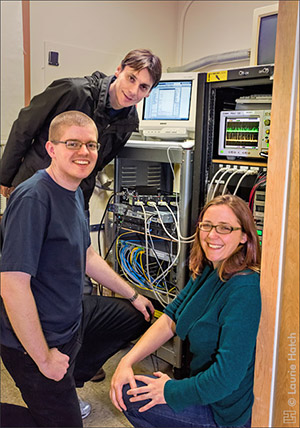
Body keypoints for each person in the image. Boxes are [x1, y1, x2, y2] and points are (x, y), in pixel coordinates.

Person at [0, 111, 154, 428]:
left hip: (72, 319)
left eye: (91, 145)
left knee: (134, 316)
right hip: (35, 340)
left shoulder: (72, 192)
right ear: (51, 149)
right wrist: (45, 359)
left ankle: (70, 378)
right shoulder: (33, 198)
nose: (84, 152)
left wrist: (134, 294)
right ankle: (54, 383)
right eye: (73, 143)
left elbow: (87, 255)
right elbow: (12, 286)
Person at [110, 194, 262, 428]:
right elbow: (171, 317)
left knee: (133, 398)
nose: (212, 235)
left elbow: (225, 379)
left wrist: (171, 391)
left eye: (224, 228)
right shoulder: (211, 269)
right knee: (127, 387)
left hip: (223, 410)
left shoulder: (245, 290)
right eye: (207, 226)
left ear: (243, 236)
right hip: (201, 384)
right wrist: (127, 361)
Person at [0, 48, 162, 208]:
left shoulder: (129, 122)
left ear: (148, 93)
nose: (133, 91)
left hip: (76, 197)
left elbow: (98, 163)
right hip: (34, 188)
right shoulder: (73, 91)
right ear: (119, 70)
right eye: (131, 78)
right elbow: (24, 128)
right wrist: (5, 177)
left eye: (143, 87)